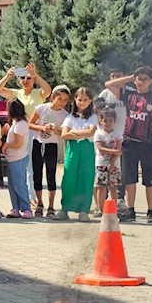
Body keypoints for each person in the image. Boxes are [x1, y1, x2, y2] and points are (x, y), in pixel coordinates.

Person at [106, 67, 152, 223]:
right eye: (139, 78)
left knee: (150, 179)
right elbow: (109, 84)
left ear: (151, 81)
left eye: (144, 79)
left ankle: (151, 211)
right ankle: (131, 210)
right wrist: (129, 77)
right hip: (129, 143)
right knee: (130, 179)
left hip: (148, 143)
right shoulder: (129, 95)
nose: (141, 82)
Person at [0, 64, 52, 204]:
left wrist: (36, 75)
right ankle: (24, 197)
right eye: (22, 78)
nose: (25, 80)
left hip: (33, 132)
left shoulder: (38, 93)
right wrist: (8, 76)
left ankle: (31, 196)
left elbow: (48, 91)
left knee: (30, 165)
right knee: (19, 164)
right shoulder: (16, 93)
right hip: (17, 132)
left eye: (28, 78)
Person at [55, 88, 98, 221]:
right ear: (75, 100)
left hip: (87, 149)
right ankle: (65, 209)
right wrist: (81, 133)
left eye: (85, 100)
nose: (82, 102)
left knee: (86, 178)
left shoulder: (93, 116)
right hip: (73, 149)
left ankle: (84, 210)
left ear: (90, 101)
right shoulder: (70, 117)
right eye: (80, 99)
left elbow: (90, 132)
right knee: (69, 177)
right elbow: (64, 134)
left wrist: (73, 132)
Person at [27, 85, 70, 218]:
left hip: (52, 145)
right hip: (38, 143)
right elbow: (29, 124)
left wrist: (55, 130)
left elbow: (64, 133)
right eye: (59, 99)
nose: (62, 102)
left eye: (65, 100)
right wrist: (42, 127)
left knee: (51, 174)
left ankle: (51, 206)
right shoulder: (41, 108)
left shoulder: (65, 115)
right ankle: (40, 203)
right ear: (52, 97)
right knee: (37, 173)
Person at [1, 99, 32, 219]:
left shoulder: (20, 125)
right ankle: (15, 207)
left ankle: (26, 208)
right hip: (12, 158)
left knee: (19, 184)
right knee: (13, 185)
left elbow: (19, 144)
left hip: (17, 158)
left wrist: (7, 145)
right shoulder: (16, 123)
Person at [94, 107, 123, 218]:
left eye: (110, 120)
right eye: (105, 120)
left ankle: (113, 209)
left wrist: (112, 162)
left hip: (114, 165)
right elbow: (100, 148)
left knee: (113, 188)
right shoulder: (98, 133)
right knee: (101, 187)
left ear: (114, 121)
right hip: (101, 164)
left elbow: (119, 150)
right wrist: (112, 151)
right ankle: (100, 208)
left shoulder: (118, 134)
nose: (108, 123)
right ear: (101, 121)